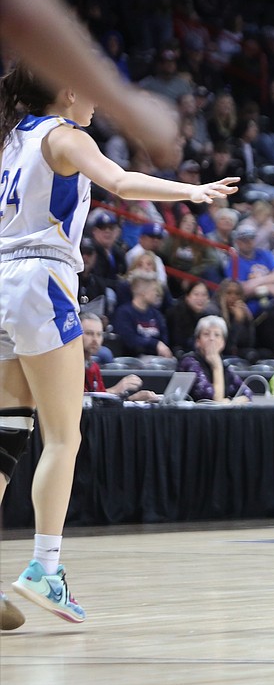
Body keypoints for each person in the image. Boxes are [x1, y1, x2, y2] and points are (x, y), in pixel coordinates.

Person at [0, 63, 234, 629]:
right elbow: (123, 182)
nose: (98, 104)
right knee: (64, 435)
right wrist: (192, 190)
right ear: (68, 89)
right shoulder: (64, 134)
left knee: (7, 434)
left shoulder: (13, 139)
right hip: (40, 277)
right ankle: (45, 569)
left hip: (2, 278)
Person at [0, 0, 181, 166]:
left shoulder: (27, 133)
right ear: (69, 92)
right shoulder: (66, 138)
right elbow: (19, 10)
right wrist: (132, 110)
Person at [80, 313, 155, 401]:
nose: (95, 339)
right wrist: (116, 389)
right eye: (89, 333)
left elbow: (99, 405)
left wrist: (132, 399)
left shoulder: (93, 366)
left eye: (99, 334)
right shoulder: (70, 366)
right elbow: (80, 401)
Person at [177, 316, 252, 403]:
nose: (212, 339)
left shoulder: (224, 366)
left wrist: (230, 401)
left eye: (217, 335)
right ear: (198, 341)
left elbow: (247, 393)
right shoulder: (189, 362)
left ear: (223, 343)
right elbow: (213, 400)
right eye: (206, 334)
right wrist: (217, 367)